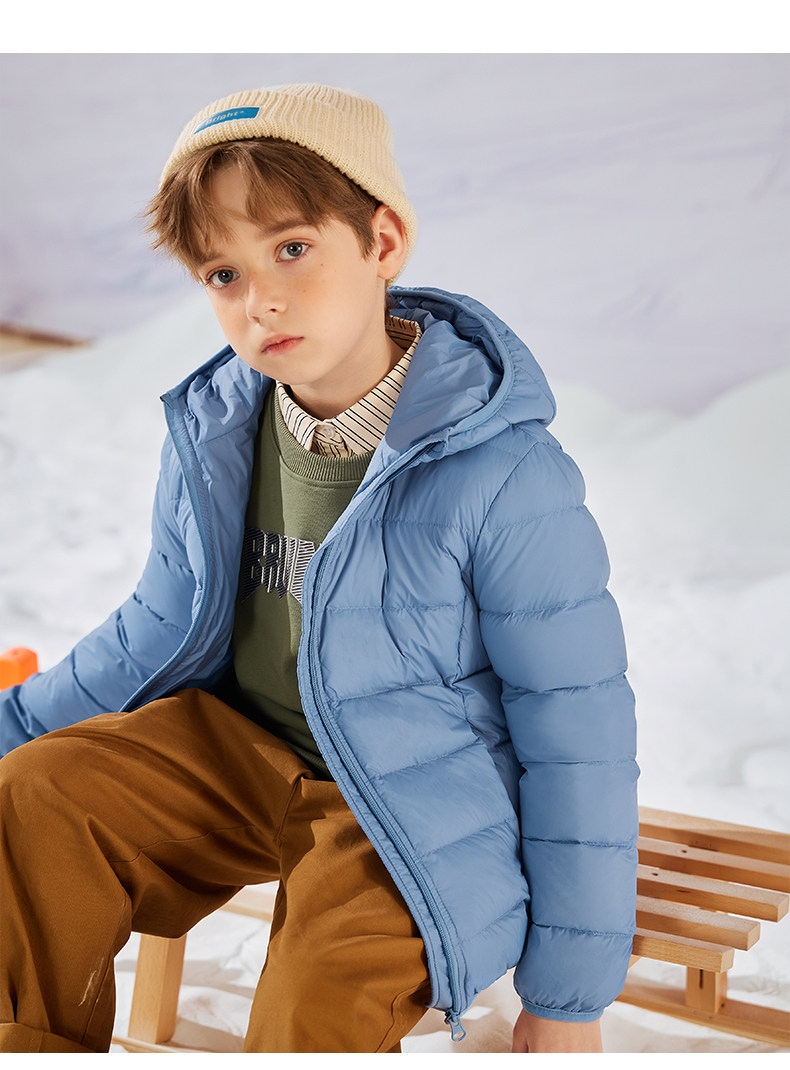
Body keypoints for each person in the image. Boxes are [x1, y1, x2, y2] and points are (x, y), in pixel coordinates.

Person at [0, 84, 638, 1054]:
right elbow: (154, 629)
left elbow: (576, 727)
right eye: (223, 272)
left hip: (403, 796)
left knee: (325, 978)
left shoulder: (503, 470)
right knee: (37, 794)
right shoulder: (219, 428)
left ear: (384, 240)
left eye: (292, 248)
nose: (260, 299)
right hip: (240, 756)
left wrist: (568, 997)